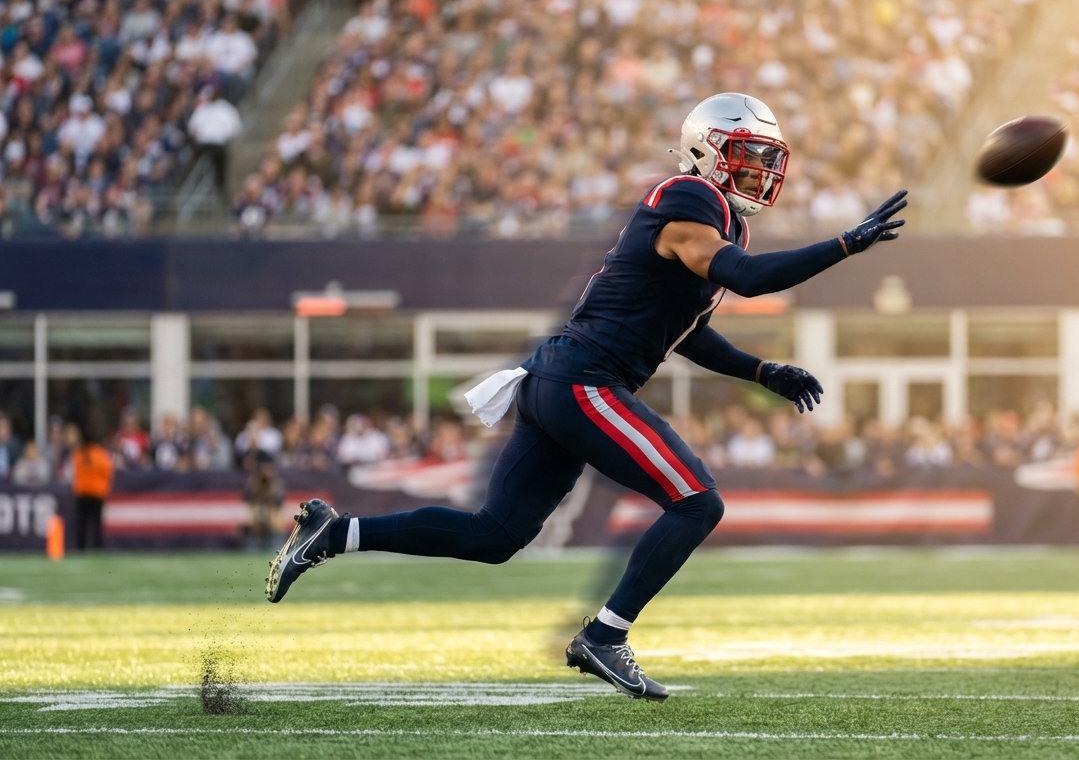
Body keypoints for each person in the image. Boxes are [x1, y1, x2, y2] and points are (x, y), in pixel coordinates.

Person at [264, 93, 908, 701]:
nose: (761, 170)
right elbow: (746, 280)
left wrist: (764, 372)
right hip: (583, 382)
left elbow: (686, 331)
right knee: (697, 502)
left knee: (495, 535)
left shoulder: (721, 225)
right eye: (749, 154)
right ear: (708, 151)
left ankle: (335, 531)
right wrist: (846, 244)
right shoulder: (687, 196)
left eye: (767, 158)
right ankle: (604, 635)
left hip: (561, 380)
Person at [71, 426, 115, 551]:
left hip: (82, 492)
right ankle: (97, 546)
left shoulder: (78, 453)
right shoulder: (100, 453)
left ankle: (81, 547)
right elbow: (107, 471)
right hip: (97, 492)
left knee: (82, 523)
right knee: (96, 523)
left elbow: (75, 471)